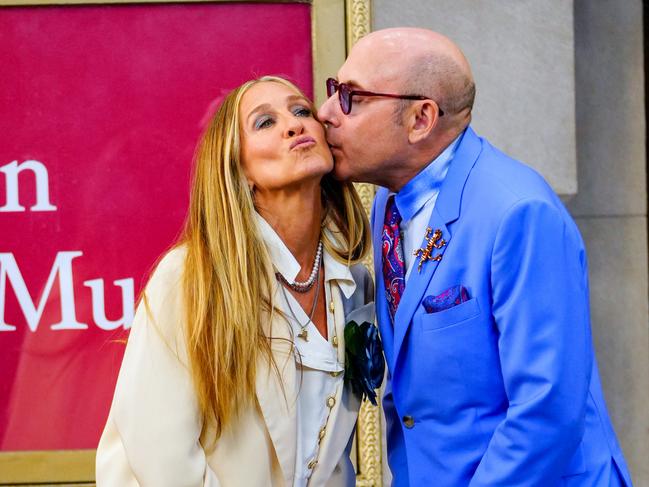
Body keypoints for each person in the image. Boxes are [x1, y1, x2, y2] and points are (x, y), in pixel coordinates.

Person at [317, 27, 633, 486]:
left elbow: (546, 410)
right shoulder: (389, 203)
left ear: (421, 119)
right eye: (333, 91)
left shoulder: (519, 213)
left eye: (352, 97)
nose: (326, 113)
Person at [96, 76, 377, 487]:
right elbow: (161, 457)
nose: (295, 125)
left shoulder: (354, 284)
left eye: (301, 111)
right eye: (265, 122)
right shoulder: (190, 277)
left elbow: (328, 459)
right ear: (239, 170)